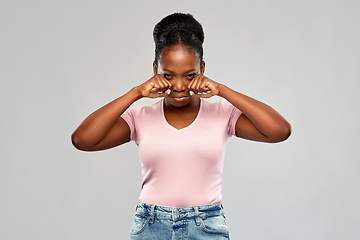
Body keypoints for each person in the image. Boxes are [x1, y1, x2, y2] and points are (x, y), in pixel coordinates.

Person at [71, 12, 291, 240]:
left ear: (202, 69)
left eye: (189, 75)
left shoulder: (222, 114)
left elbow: (280, 131)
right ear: (155, 68)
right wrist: (136, 93)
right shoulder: (140, 117)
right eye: (168, 75)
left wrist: (223, 90)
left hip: (207, 226)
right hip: (151, 226)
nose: (178, 86)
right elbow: (82, 140)